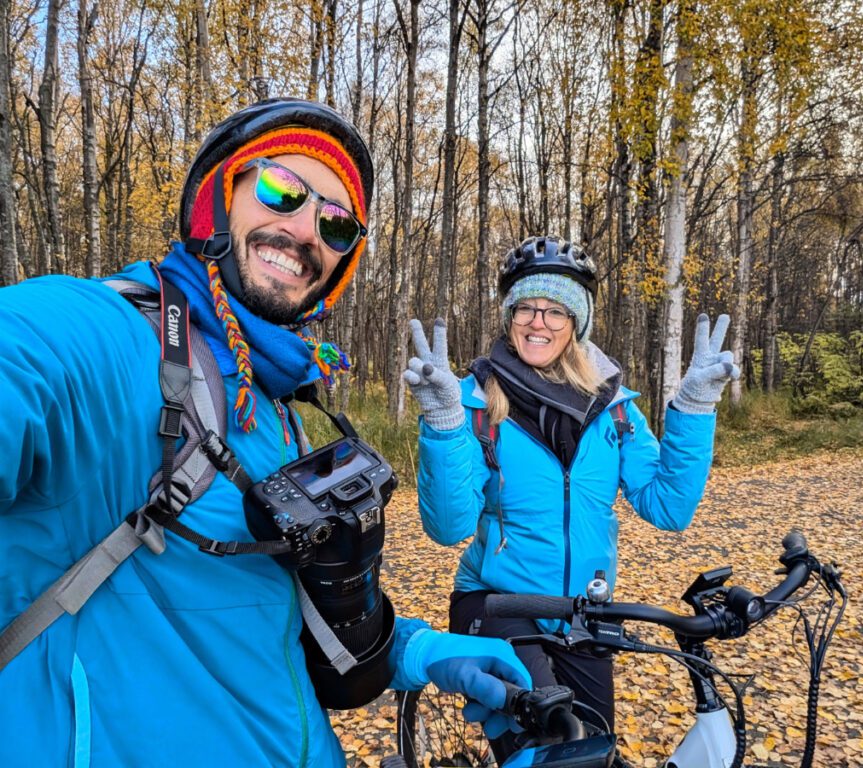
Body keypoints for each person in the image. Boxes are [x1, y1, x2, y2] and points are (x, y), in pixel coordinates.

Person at [0, 98, 529, 767]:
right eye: (283, 189)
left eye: (337, 226)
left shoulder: (275, 410)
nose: (307, 229)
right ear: (216, 200)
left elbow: (267, 616)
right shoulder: (102, 335)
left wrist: (418, 652)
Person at [404, 235, 738, 759]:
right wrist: (443, 424)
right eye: (526, 308)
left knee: (597, 750)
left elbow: (668, 507)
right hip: (498, 601)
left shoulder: (615, 407)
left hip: (587, 612)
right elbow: (449, 527)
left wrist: (694, 406)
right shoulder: (472, 403)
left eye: (556, 310)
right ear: (510, 316)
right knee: (551, 748)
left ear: (576, 322)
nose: (539, 322)